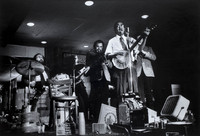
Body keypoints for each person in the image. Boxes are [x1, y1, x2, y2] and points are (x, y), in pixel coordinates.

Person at [105, 21, 139, 107]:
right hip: (119, 69)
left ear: (124, 27)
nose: (120, 27)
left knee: (134, 91)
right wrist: (117, 53)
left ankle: (134, 110)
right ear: (114, 29)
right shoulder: (112, 41)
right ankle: (122, 113)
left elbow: (138, 50)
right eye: (117, 26)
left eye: (121, 25)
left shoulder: (130, 39)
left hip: (131, 68)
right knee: (121, 92)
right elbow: (107, 54)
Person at [85, 40, 111, 122]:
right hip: (95, 80)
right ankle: (96, 119)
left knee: (104, 99)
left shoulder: (104, 56)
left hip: (104, 81)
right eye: (97, 46)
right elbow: (91, 65)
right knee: (95, 100)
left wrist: (107, 64)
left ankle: (103, 119)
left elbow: (109, 67)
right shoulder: (90, 55)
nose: (99, 48)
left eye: (101, 47)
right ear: (94, 47)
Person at [133, 35, 156, 109]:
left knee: (149, 92)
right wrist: (135, 55)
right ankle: (143, 109)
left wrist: (144, 53)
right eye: (138, 39)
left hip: (148, 73)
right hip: (139, 73)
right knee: (140, 93)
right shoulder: (134, 49)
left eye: (141, 39)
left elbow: (154, 57)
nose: (140, 41)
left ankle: (151, 109)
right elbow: (132, 61)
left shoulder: (148, 48)